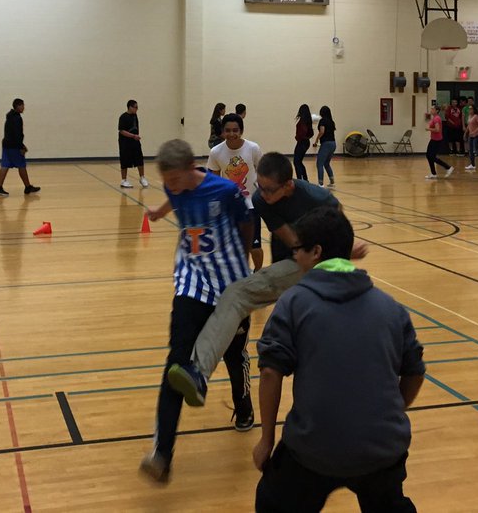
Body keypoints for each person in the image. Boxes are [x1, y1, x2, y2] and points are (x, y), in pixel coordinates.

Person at [252, 206, 426, 512]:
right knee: (386, 499)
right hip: (383, 447)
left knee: (272, 502)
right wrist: (391, 412)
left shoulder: (293, 302)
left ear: (316, 252)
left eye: (298, 250)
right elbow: (414, 371)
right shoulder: (391, 307)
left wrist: (266, 439)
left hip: (314, 448)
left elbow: (270, 373)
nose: (295, 258)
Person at [164, 152, 359, 411]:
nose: (262, 195)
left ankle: (199, 372)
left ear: (288, 185)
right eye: (260, 187)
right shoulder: (261, 200)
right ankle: (201, 372)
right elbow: (292, 242)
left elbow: (332, 233)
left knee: (236, 295)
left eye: (269, 190)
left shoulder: (317, 197)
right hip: (298, 259)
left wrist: (342, 250)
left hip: (313, 264)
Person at [139, 139, 255, 483]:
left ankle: (243, 405)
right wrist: (160, 211)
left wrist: (243, 260)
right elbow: (174, 199)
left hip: (231, 284)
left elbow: (248, 223)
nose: (170, 187)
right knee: (176, 364)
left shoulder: (226, 191)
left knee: (234, 353)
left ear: (192, 168)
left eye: (174, 180)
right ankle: (162, 455)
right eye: (167, 182)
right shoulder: (173, 188)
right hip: (191, 281)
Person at [208, 113, 263, 270]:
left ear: (241, 131)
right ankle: (239, 273)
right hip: (229, 206)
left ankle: (258, 274)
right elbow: (214, 182)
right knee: (232, 245)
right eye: (228, 130)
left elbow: (263, 171)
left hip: (251, 205)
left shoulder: (253, 148)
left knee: (255, 246)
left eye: (235, 130)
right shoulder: (216, 152)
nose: (231, 134)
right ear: (223, 132)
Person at [0, 98, 39, 196]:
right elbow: (17, 134)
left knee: (5, 165)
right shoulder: (17, 118)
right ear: (18, 106)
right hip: (14, 146)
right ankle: (27, 187)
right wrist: (21, 147)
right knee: (21, 165)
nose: (24, 107)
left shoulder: (10, 116)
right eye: (22, 105)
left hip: (6, 144)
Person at [118, 99, 148, 189]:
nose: (137, 109)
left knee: (139, 158)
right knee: (124, 160)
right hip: (125, 143)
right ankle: (124, 180)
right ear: (130, 107)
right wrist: (133, 136)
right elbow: (122, 131)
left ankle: (142, 177)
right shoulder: (123, 117)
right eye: (135, 107)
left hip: (135, 141)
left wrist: (136, 137)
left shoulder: (135, 116)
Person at [423, 102, 454, 181]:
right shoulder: (434, 118)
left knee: (431, 156)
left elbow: (437, 130)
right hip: (433, 139)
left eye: (433, 109)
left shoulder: (437, 118)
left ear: (437, 111)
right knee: (428, 156)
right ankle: (433, 173)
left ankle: (448, 167)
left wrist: (428, 129)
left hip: (437, 140)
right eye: (431, 109)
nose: (431, 110)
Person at [313, 105, 337, 187]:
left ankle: (320, 183)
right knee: (326, 163)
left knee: (319, 163)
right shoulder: (331, 121)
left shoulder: (322, 121)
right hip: (333, 144)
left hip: (326, 144)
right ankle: (332, 180)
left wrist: (316, 140)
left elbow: (322, 131)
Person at [292, 104, 313, 180]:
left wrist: (298, 137)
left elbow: (302, 132)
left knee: (296, 162)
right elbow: (311, 133)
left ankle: (300, 179)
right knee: (299, 162)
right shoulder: (308, 121)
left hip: (302, 142)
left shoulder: (302, 122)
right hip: (306, 142)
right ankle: (305, 178)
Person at [464, 103, 478, 173]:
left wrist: (475, 131)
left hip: (477, 135)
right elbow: (468, 125)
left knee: (476, 149)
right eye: (469, 109)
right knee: (470, 150)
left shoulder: (477, 116)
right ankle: (472, 164)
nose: (470, 110)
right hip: (471, 135)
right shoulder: (469, 116)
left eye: (471, 109)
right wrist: (466, 133)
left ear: (474, 109)